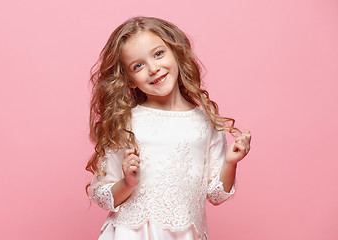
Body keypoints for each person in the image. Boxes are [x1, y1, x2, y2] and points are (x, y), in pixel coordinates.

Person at [86, 16, 252, 240]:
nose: (153, 69)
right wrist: (127, 183)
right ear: (130, 80)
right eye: (138, 66)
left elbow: (216, 195)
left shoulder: (205, 123)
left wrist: (231, 163)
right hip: (132, 234)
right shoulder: (125, 123)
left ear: (176, 53)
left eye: (158, 54)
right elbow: (102, 195)